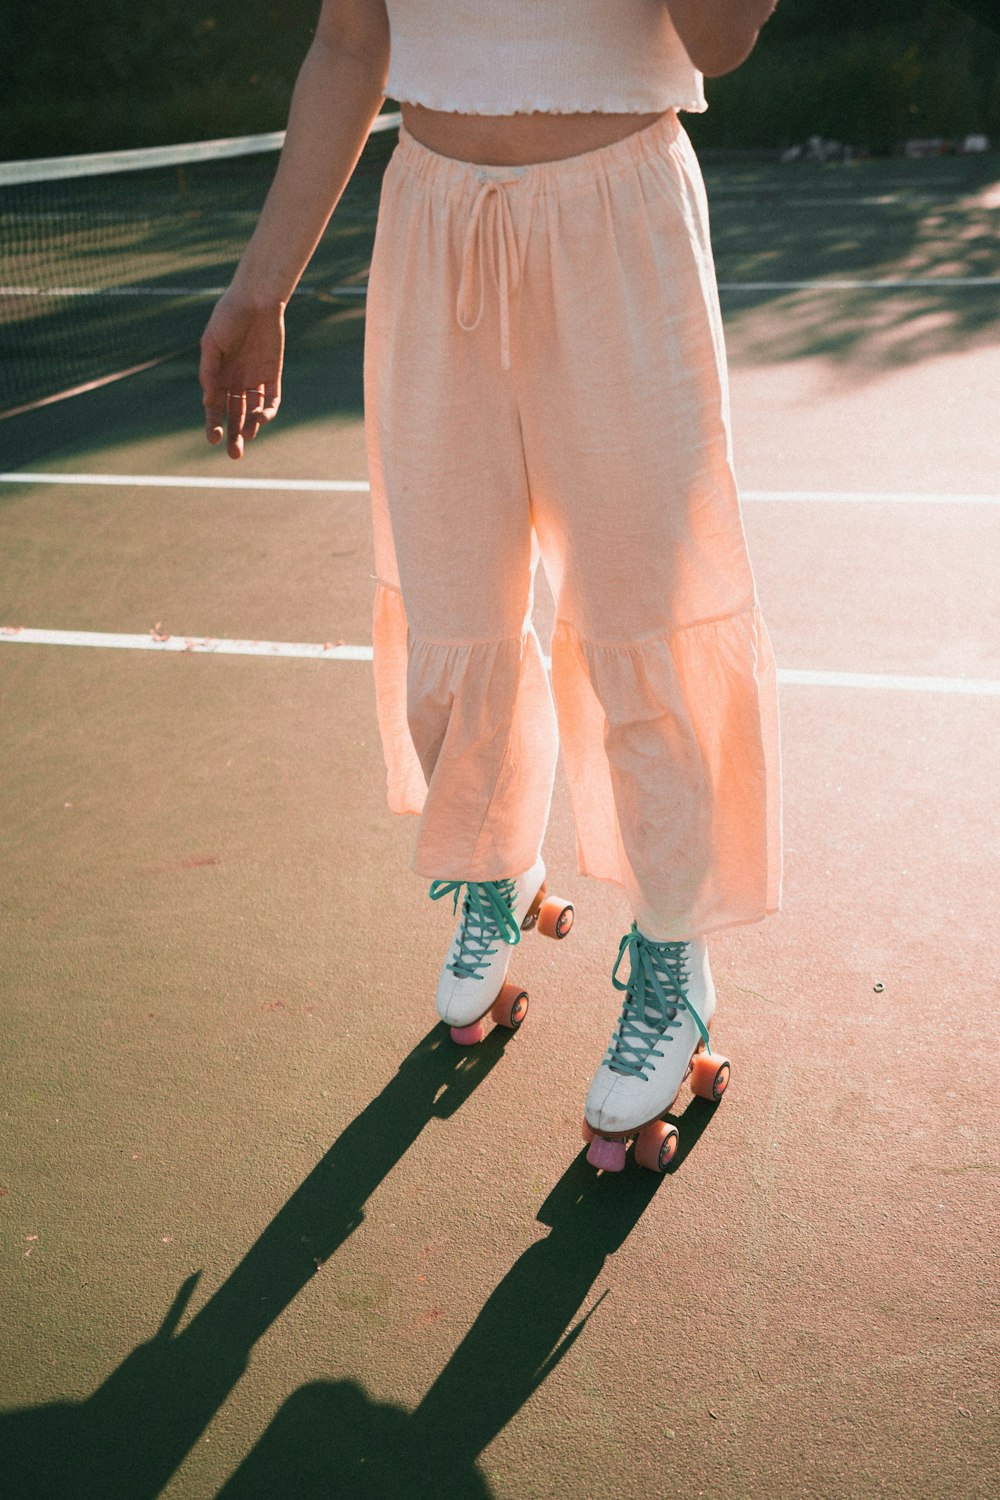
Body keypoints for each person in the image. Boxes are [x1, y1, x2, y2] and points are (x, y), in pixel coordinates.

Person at [200, 0, 783, 1172]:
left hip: (616, 214)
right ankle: (490, 859)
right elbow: (351, 43)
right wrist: (262, 289)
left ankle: (674, 945)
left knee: (644, 610)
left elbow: (718, 40)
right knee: (454, 591)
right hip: (432, 212)